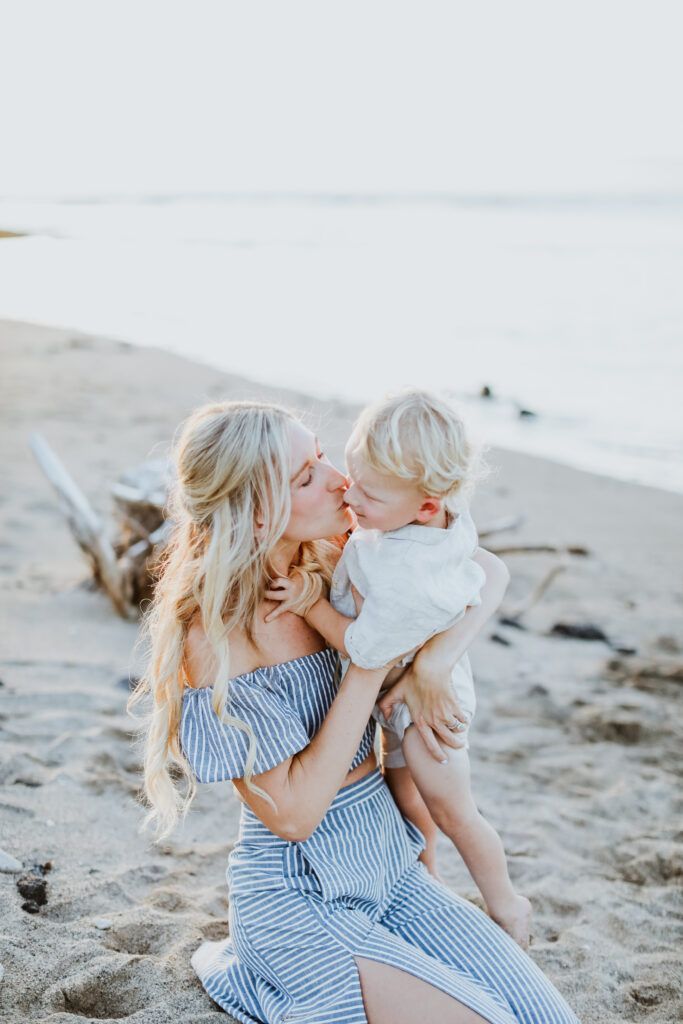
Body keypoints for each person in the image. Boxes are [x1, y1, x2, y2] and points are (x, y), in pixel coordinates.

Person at [128, 399, 579, 1024]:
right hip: (302, 895)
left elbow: (487, 571)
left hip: (389, 868)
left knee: (549, 1019)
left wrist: (434, 665)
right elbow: (292, 816)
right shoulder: (218, 637)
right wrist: (370, 665)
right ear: (259, 515)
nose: (340, 480)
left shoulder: (341, 550)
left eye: (321, 457)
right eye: (308, 475)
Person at [265, 390, 531, 947]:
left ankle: (507, 903)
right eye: (353, 475)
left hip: (424, 710)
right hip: (396, 693)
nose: (348, 491)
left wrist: (309, 603)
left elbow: (365, 650)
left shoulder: (411, 571)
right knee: (406, 796)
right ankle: (428, 877)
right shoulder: (410, 522)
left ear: (428, 505)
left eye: (370, 493)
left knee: (451, 807)